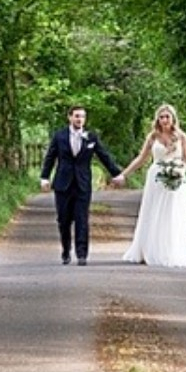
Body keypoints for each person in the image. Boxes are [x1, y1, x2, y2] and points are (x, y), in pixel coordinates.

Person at [40, 105, 123, 265]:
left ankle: (81, 254)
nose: (80, 119)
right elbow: (50, 157)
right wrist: (44, 177)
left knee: (81, 218)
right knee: (63, 220)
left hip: (82, 184)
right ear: (70, 117)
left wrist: (116, 173)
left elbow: (103, 155)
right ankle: (66, 250)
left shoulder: (91, 137)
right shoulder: (59, 136)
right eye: (77, 116)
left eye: (82, 117)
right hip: (63, 184)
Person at [119, 103, 186, 268]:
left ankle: (170, 251)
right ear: (158, 119)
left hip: (175, 178)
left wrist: (180, 171)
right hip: (156, 177)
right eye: (161, 117)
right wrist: (124, 174)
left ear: (173, 118)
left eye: (167, 117)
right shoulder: (153, 137)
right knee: (153, 213)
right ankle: (149, 249)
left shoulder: (182, 137)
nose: (164, 120)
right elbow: (141, 159)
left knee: (172, 214)